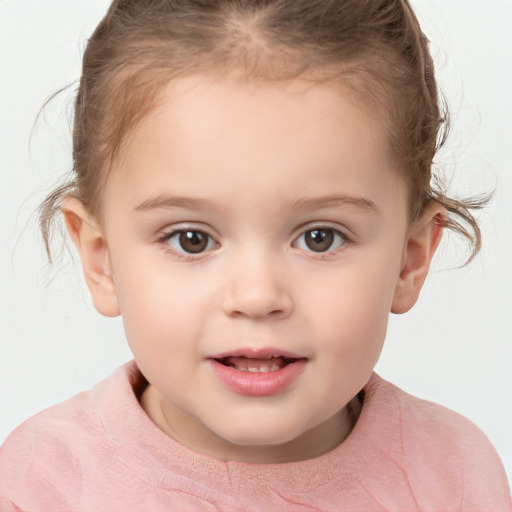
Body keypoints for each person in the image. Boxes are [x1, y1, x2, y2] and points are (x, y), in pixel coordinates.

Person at [1, 0, 510, 510]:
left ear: (410, 259)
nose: (257, 296)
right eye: (191, 239)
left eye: (320, 237)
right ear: (101, 259)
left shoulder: (453, 476)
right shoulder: (44, 484)